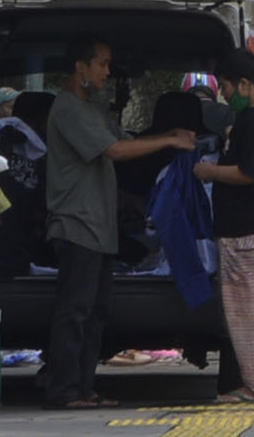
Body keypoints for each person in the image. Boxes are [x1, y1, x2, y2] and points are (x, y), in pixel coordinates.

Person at [38, 39, 197, 410]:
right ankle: (63, 389)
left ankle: (83, 386)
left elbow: (125, 140)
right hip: (77, 225)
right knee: (74, 311)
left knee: (95, 313)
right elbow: (115, 151)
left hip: (100, 227)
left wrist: (169, 138)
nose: (107, 72)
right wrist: (168, 139)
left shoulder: (92, 108)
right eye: (102, 64)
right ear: (81, 68)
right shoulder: (68, 109)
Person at [198, 54, 254, 402]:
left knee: (246, 309)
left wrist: (210, 172)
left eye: (224, 87)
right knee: (251, 304)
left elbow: (248, 173)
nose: (223, 95)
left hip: (246, 229)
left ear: (245, 84)